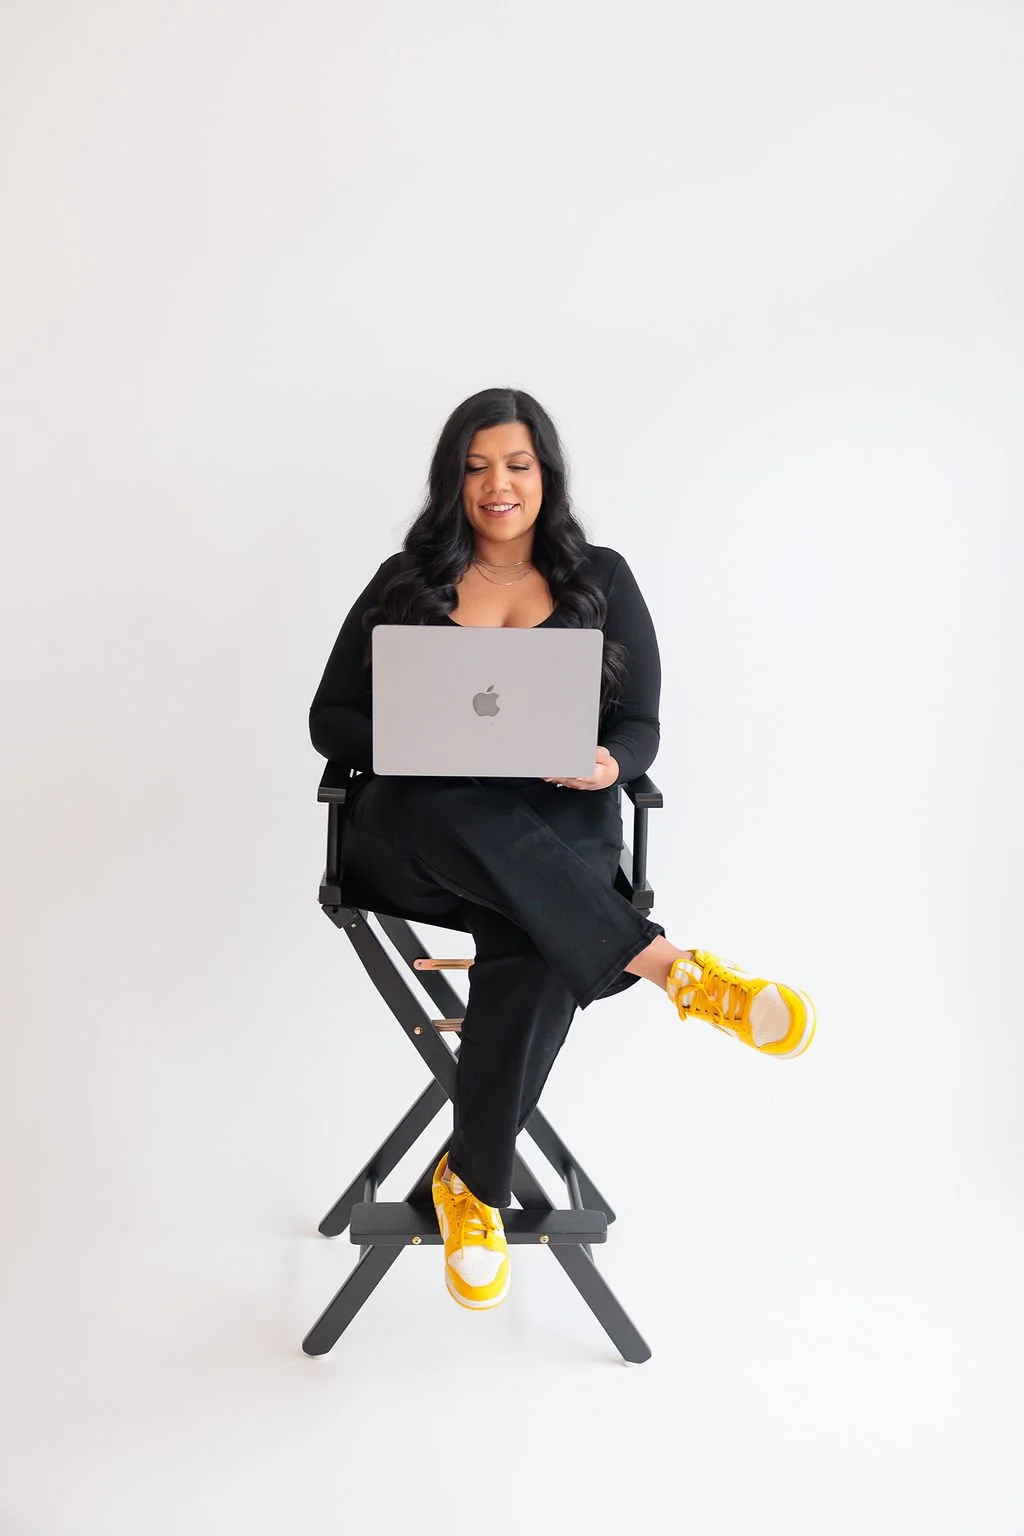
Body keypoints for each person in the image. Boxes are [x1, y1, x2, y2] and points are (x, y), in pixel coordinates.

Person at [309, 387, 816, 1314]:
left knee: (539, 928)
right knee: (467, 822)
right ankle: (671, 968)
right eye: (475, 467)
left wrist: (610, 761)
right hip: (421, 836)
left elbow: (642, 725)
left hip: (559, 832)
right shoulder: (404, 579)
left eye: (516, 464)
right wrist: (413, 742)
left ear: (546, 474)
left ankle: (472, 1189)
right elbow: (328, 717)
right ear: (451, 480)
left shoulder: (604, 579)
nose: (496, 485)